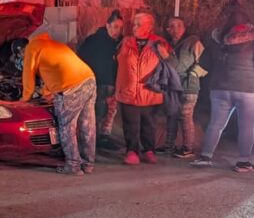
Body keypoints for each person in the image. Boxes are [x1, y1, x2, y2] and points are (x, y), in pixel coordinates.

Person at [191, 7, 254, 173]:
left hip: (221, 88)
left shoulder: (217, 39)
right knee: (247, 127)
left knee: (216, 124)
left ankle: (205, 157)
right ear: (247, 23)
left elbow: (204, 63)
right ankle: (243, 162)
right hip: (249, 89)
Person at [22, 29, 97, 175]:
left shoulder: (32, 46)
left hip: (71, 87)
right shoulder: (53, 45)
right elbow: (52, 70)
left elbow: (28, 75)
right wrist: (48, 92)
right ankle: (88, 164)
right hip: (89, 79)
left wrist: (25, 98)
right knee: (87, 125)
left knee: (67, 127)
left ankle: (73, 166)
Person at [115, 11, 174, 165]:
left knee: (149, 124)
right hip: (128, 91)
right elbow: (115, 61)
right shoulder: (125, 42)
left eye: (138, 24)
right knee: (130, 124)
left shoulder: (159, 43)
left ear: (149, 26)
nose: (134, 27)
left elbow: (173, 64)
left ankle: (148, 150)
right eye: (134, 24)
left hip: (150, 92)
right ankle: (132, 151)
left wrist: (166, 55)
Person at [77, 10, 124, 148]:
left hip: (113, 83)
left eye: (120, 28)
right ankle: (93, 139)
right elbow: (83, 59)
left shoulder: (119, 42)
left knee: (110, 112)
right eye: (115, 27)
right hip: (98, 82)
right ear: (108, 25)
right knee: (98, 111)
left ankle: (104, 137)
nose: (118, 31)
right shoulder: (94, 40)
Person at [162, 16, 205, 159]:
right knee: (171, 115)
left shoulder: (193, 42)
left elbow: (179, 67)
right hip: (173, 85)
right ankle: (169, 146)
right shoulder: (169, 44)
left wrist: (166, 57)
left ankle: (188, 148)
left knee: (185, 116)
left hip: (188, 86)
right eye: (171, 26)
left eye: (178, 25)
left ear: (184, 27)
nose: (175, 29)